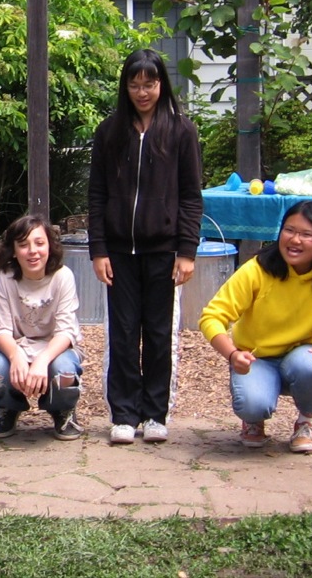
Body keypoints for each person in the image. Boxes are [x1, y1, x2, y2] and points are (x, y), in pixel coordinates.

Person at [88, 49, 203, 445]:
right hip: (119, 251)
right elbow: (97, 194)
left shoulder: (181, 130)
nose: (142, 92)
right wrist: (98, 249)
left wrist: (187, 250)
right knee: (122, 331)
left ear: (161, 85)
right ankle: (123, 413)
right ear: (125, 86)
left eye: (149, 84)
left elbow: (191, 195)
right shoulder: (109, 131)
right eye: (134, 84)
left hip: (164, 251)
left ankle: (155, 413)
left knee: (158, 332)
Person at [200, 200, 312, 453]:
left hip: (298, 357)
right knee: (252, 404)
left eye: (306, 235)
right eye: (290, 230)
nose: (295, 240)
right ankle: (253, 420)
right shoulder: (257, 270)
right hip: (256, 358)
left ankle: (307, 420)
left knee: (310, 364)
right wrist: (232, 354)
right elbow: (212, 316)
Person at [0, 215, 85, 440]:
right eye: (23, 245)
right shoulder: (5, 278)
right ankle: (8, 408)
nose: (32, 251)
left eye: (39, 243)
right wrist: (16, 356)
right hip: (16, 346)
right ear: (13, 250)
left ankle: (62, 410)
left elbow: (66, 331)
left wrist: (42, 360)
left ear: (50, 246)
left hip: (55, 349)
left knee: (65, 372)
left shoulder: (62, 277)